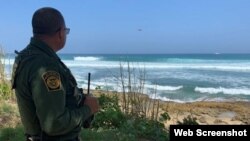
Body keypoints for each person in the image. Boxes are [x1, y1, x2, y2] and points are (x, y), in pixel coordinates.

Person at [11, 7, 99, 141]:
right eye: (66, 31)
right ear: (60, 33)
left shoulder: (27, 57)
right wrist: (88, 109)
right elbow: (54, 124)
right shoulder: (45, 66)